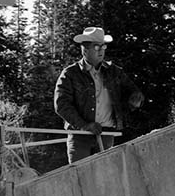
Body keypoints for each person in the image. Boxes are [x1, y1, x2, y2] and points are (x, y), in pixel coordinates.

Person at [54, 26, 144, 163]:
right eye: (97, 47)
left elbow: (133, 92)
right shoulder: (70, 74)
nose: (101, 51)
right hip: (80, 136)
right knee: (81, 177)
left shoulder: (114, 71)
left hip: (106, 134)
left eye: (103, 47)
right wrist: (84, 125)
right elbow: (61, 104)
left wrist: (135, 101)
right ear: (85, 49)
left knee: (105, 178)